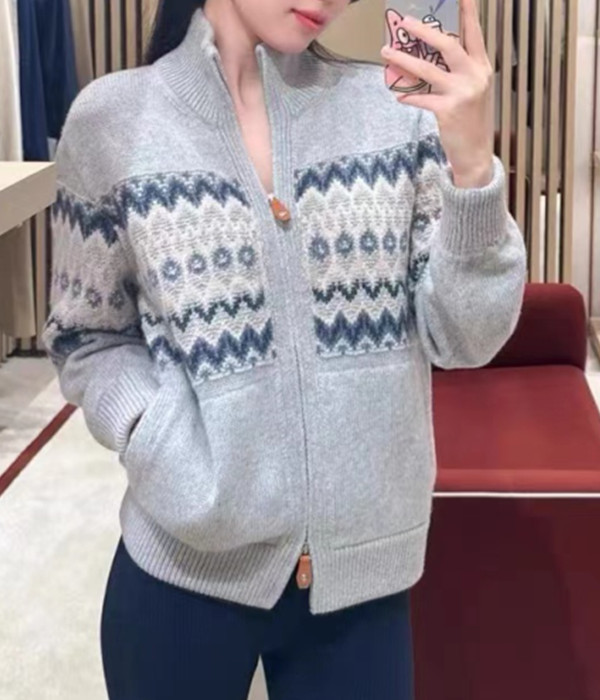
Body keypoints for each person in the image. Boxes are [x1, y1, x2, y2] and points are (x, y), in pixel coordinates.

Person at [42, 0, 527, 697]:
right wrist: (155, 433)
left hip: (360, 587)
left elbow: (465, 338)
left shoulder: (395, 116)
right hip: (181, 576)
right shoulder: (113, 121)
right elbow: (88, 336)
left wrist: (474, 169)